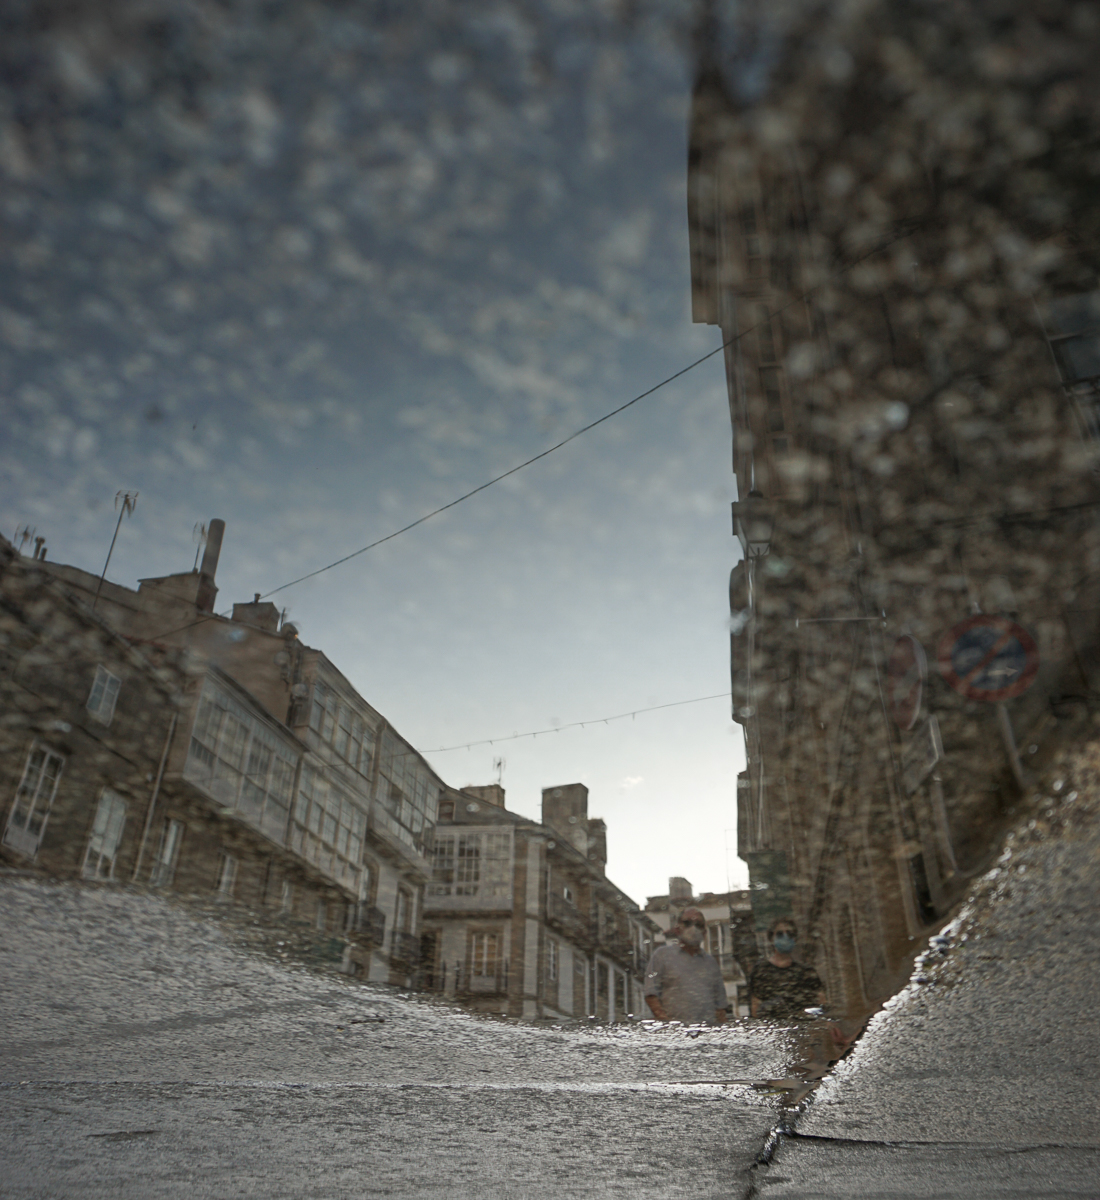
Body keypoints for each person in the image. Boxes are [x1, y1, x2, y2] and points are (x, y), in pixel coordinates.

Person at [644, 907, 729, 1025]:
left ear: (704, 932)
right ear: (677, 929)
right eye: (687, 923)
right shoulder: (662, 956)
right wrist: (669, 1025)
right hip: (674, 1036)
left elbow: (720, 1007)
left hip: (707, 1035)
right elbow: (651, 994)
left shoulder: (711, 963)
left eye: (698, 925)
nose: (693, 928)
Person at [748, 918, 826, 1018]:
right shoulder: (761, 971)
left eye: (790, 934)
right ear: (772, 938)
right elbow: (755, 1006)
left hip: (804, 1028)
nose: (785, 937)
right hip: (774, 1029)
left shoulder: (806, 972)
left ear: (795, 939)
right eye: (780, 934)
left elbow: (821, 1002)